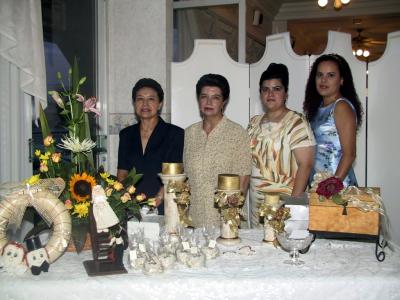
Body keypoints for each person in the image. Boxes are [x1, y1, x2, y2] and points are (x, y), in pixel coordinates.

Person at [247, 63, 315, 227]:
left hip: (284, 202)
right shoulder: (253, 123)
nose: (270, 94)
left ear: (285, 93)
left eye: (276, 89)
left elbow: (306, 165)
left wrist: (291, 206)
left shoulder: (296, 123)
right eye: (265, 89)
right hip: (256, 203)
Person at [184, 74, 252, 228]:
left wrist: (230, 220)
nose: (208, 102)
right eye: (204, 97)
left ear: (224, 102)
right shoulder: (188, 134)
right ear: (198, 99)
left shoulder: (237, 133)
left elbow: (243, 180)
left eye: (215, 97)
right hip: (193, 220)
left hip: (225, 220)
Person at [117, 78, 184, 215]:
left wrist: (157, 200)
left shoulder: (174, 133)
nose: (145, 104)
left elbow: (173, 174)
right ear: (134, 103)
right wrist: (126, 199)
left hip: (164, 205)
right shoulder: (126, 135)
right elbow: (122, 173)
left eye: (151, 99)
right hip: (131, 207)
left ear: (159, 104)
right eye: (140, 99)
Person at [303, 54, 362, 187]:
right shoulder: (318, 108)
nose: (323, 80)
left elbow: (350, 154)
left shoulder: (341, 106)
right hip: (318, 185)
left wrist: (332, 186)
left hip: (337, 187)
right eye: (319, 75)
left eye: (330, 75)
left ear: (341, 80)